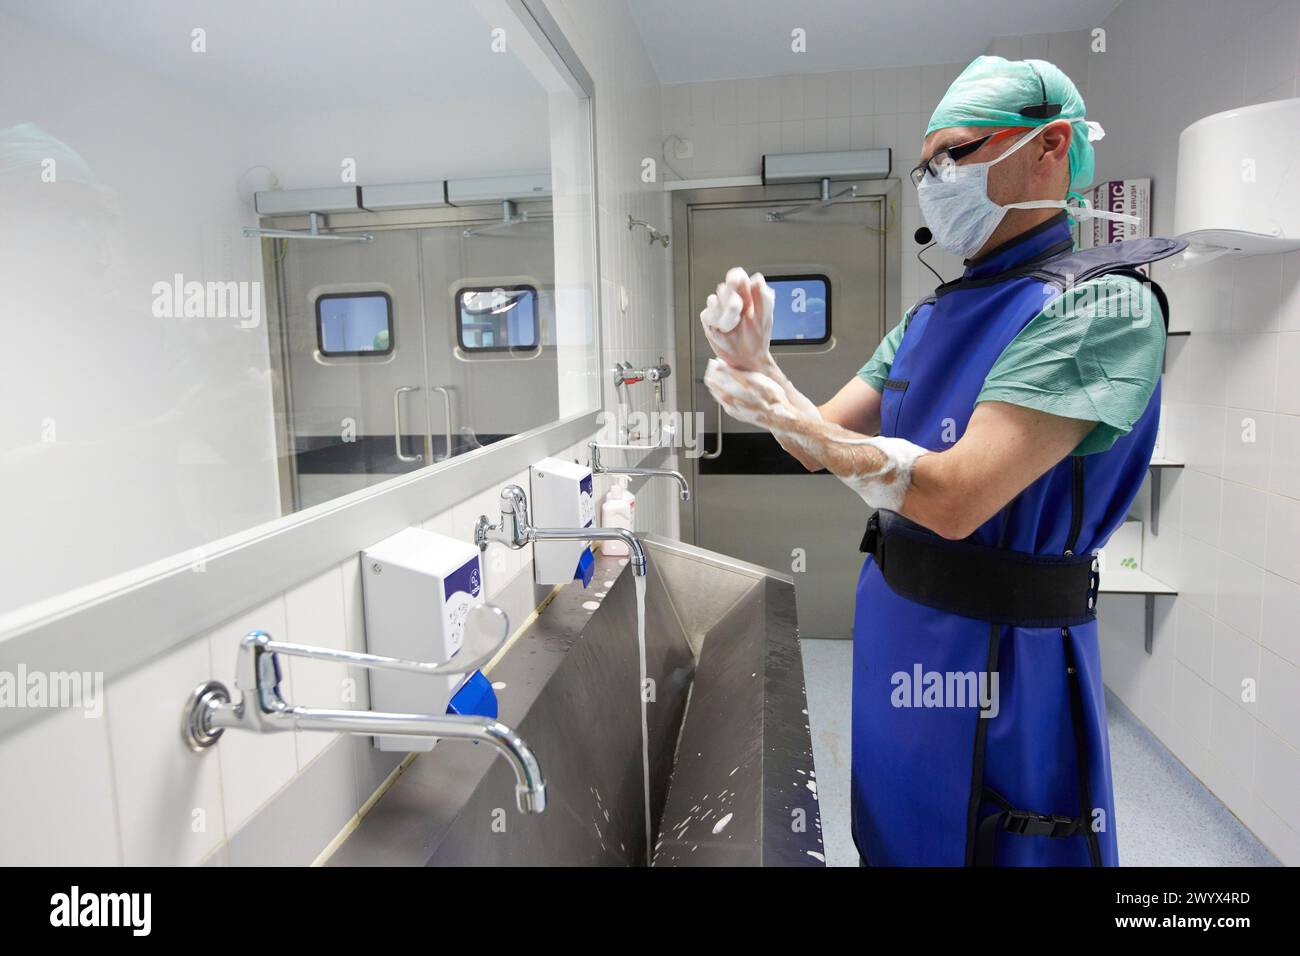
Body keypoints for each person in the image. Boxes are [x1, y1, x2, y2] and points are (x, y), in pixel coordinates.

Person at [701, 56, 1186, 866]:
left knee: (992, 835)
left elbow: (957, 498)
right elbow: (820, 444)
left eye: (955, 155)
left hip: (1003, 649)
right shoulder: (931, 316)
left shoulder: (1101, 306)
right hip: (897, 619)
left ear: (1050, 146)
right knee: (895, 828)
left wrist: (798, 421)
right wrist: (762, 370)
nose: (934, 180)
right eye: (926, 165)